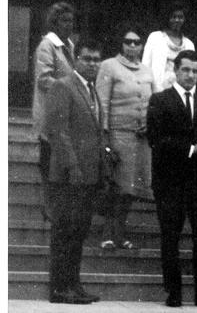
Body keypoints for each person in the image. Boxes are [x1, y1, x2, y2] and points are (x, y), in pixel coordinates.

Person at [146, 50, 197, 308]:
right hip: (170, 180)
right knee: (171, 235)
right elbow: (156, 140)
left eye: (196, 71)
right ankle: (174, 292)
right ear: (176, 71)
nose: (191, 76)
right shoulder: (160, 100)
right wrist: (192, 149)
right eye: (186, 70)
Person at [43, 37, 106, 304]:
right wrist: (73, 167)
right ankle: (59, 288)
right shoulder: (63, 86)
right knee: (64, 232)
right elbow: (58, 132)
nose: (92, 64)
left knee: (78, 233)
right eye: (87, 58)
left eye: (96, 59)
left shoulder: (92, 90)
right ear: (76, 60)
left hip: (88, 175)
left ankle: (73, 284)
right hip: (69, 175)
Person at [96, 22, 155, 250]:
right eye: (127, 41)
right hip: (118, 136)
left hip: (140, 140)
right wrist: (105, 136)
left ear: (141, 46)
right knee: (116, 186)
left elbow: (155, 103)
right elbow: (102, 102)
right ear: (121, 44)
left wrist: (150, 123)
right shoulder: (109, 66)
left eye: (137, 42)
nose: (132, 45)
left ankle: (121, 233)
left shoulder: (147, 70)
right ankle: (108, 233)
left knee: (130, 190)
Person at [32, 1, 76, 221]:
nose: (68, 25)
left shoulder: (68, 45)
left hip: (65, 114)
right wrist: (69, 87)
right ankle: (48, 207)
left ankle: (56, 206)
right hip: (50, 113)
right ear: (54, 22)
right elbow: (43, 79)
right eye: (63, 20)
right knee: (48, 160)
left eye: (71, 20)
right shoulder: (47, 45)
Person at [142, 1, 195, 92]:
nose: (177, 20)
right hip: (158, 92)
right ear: (167, 18)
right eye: (173, 17)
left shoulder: (189, 44)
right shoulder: (155, 37)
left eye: (180, 17)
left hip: (181, 93)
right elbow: (145, 68)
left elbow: (193, 73)